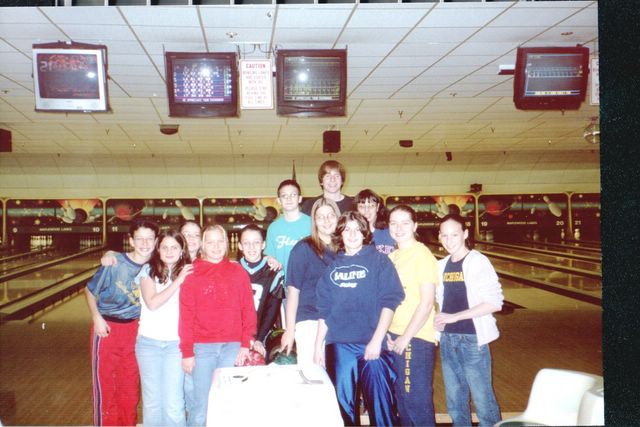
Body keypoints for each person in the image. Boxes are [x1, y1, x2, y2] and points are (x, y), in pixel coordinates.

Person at [314, 211, 405, 426]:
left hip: (373, 344)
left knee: (382, 409)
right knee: (343, 410)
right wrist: (319, 346)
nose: (352, 234)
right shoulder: (332, 268)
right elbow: (324, 311)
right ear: (340, 234)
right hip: (339, 345)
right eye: (347, 229)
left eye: (357, 229)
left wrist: (376, 340)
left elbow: (389, 302)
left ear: (365, 233)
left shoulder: (379, 261)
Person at [179, 224, 257, 427]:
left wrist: (245, 343)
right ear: (202, 245)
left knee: (228, 404)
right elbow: (186, 316)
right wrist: (187, 352)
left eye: (220, 241)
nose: (215, 246)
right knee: (201, 407)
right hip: (202, 348)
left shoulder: (237, 271)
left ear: (226, 243)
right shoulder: (191, 273)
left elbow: (248, 310)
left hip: (232, 347)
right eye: (210, 242)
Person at [85, 220, 159, 426]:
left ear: (156, 241)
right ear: (131, 240)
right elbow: (89, 291)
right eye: (139, 238)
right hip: (107, 329)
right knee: (106, 388)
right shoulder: (115, 263)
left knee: (129, 390)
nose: (144, 243)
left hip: (136, 332)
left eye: (149, 239)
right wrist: (96, 317)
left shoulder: (158, 265)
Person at [434, 213, 504, 427]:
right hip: (448, 340)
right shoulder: (441, 265)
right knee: (455, 400)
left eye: (454, 234)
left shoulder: (478, 261)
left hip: (472, 339)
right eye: (444, 235)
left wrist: (455, 317)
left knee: (483, 399)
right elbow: (441, 303)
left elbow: (495, 303)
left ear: (465, 234)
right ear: (439, 237)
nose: (449, 240)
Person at [386, 205, 438, 426]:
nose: (399, 228)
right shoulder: (393, 256)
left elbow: (426, 303)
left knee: (415, 401)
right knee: (403, 401)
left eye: (405, 223)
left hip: (415, 339)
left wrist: (405, 338)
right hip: (395, 337)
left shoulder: (421, 254)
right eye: (393, 223)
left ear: (415, 226)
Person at [136, 229, 193, 426]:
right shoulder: (147, 271)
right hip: (148, 344)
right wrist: (178, 281)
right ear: (157, 250)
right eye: (165, 247)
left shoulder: (190, 272)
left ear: (182, 250)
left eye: (174, 247)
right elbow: (152, 303)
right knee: (152, 403)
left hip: (176, 346)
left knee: (173, 403)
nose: (169, 251)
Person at [280, 198, 339, 365]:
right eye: (320, 217)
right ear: (314, 221)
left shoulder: (345, 249)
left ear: (338, 217)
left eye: (330, 215)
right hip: (310, 320)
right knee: (314, 377)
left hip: (339, 322)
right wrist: (290, 330)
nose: (326, 221)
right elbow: (293, 292)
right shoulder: (303, 249)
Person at [238, 223, 285, 355]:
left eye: (256, 242)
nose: (252, 247)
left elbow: (272, 310)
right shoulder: (233, 270)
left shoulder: (273, 272)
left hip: (263, 331)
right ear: (240, 245)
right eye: (246, 243)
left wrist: (259, 339)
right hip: (236, 335)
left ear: (263, 245)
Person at [265, 179, 311, 276]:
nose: (288, 199)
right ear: (278, 201)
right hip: (281, 284)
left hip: (306, 284)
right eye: (284, 196)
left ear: (300, 198)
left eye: (293, 195)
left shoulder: (312, 223)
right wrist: (269, 259)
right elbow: (269, 255)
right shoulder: (273, 228)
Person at [354, 188, 395, 255]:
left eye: (371, 206)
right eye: (361, 207)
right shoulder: (354, 234)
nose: (366, 210)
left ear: (377, 207)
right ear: (356, 209)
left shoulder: (391, 231)